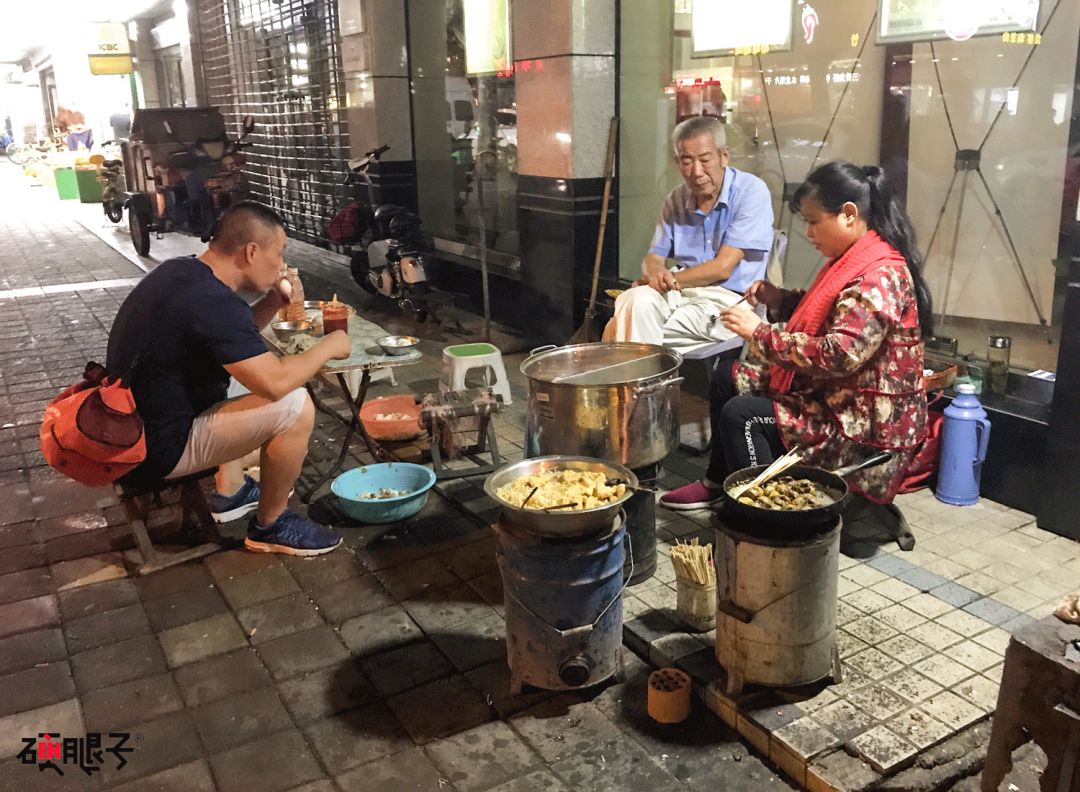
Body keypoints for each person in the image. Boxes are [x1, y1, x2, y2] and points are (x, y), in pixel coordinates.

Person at [660, 161, 933, 510]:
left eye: (813, 221)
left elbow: (837, 354)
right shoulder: (854, 259)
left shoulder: (879, 275)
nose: (808, 232)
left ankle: (766, 520)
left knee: (743, 414)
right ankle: (718, 483)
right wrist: (780, 300)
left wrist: (759, 332)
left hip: (863, 429)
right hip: (838, 401)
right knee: (727, 377)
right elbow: (833, 315)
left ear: (848, 214)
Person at [106, 202, 352, 555]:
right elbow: (275, 382)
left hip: (137, 424)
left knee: (240, 375)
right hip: (152, 450)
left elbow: (232, 342)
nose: (281, 264)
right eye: (279, 252)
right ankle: (271, 525)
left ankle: (231, 490)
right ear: (251, 251)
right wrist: (329, 345)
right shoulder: (213, 303)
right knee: (295, 405)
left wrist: (272, 300)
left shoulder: (184, 273)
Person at [603, 115, 774, 356]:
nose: (696, 171)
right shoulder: (676, 199)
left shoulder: (750, 191)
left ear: (724, 156)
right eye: (686, 161)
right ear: (677, 162)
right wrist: (654, 275)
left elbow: (722, 268)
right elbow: (654, 256)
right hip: (679, 295)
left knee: (617, 327)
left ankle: (637, 393)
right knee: (635, 301)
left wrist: (667, 281)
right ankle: (645, 392)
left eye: (705, 160)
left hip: (729, 303)